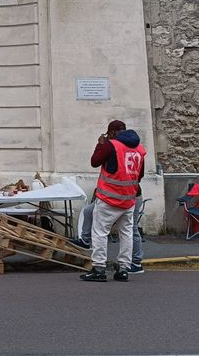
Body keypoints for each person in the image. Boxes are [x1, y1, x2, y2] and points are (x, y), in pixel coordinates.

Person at [80, 120, 146, 283]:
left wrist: (101, 145)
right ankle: (124, 269)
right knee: (126, 233)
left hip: (109, 198)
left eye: (109, 133)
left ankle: (99, 268)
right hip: (129, 199)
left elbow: (95, 161)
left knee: (100, 232)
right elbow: (140, 174)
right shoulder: (139, 148)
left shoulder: (112, 146)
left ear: (112, 133)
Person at [72, 188, 145, 274]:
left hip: (126, 196)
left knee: (129, 229)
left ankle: (134, 262)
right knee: (89, 211)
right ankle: (86, 240)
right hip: (112, 196)